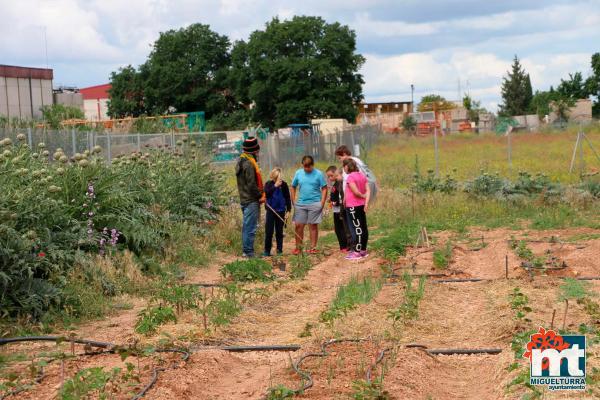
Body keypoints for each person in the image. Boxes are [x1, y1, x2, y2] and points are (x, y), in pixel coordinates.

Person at [290, 155, 328, 255]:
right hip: (301, 204)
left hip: (315, 203)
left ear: (312, 165)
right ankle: (298, 248)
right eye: (304, 166)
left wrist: (322, 202)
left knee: (313, 226)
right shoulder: (298, 173)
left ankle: (313, 248)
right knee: (298, 226)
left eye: (308, 166)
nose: (306, 168)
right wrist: (293, 200)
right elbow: (293, 186)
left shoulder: (319, 174)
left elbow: (324, 188)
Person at [235, 137, 265, 258]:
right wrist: (260, 195)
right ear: (254, 151)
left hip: (244, 198)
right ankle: (248, 252)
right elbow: (251, 184)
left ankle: (246, 251)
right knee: (250, 227)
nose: (258, 154)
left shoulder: (241, 161)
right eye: (257, 151)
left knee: (247, 226)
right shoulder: (249, 164)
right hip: (251, 199)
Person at [343, 158, 370, 260]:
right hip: (361, 206)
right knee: (363, 227)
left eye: (343, 167)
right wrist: (366, 202)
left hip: (353, 207)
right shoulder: (362, 175)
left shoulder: (350, 177)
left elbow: (355, 191)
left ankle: (356, 252)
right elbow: (368, 190)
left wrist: (362, 196)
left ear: (346, 166)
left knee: (356, 228)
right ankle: (363, 250)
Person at [263, 168, 291, 257]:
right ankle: (267, 250)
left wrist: (288, 210)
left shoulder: (284, 185)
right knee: (269, 231)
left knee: (279, 232)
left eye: (279, 178)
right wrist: (275, 186)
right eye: (276, 178)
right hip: (271, 211)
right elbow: (266, 193)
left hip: (281, 211)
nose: (278, 180)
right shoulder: (268, 184)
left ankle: (279, 250)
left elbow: (287, 198)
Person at [325, 165, 350, 252]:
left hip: (341, 210)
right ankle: (342, 246)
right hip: (336, 210)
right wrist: (330, 200)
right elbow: (334, 195)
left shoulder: (340, 183)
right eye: (328, 176)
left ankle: (346, 246)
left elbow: (342, 197)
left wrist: (335, 202)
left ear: (336, 174)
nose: (330, 178)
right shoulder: (334, 184)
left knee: (342, 228)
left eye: (331, 175)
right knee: (338, 229)